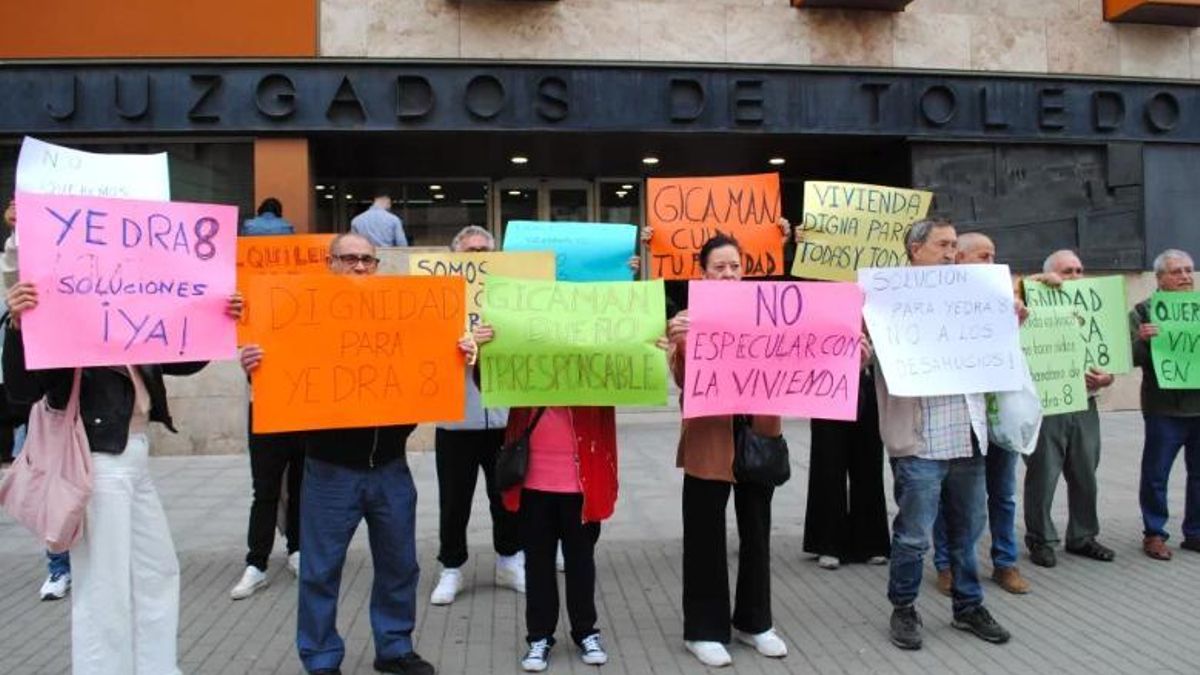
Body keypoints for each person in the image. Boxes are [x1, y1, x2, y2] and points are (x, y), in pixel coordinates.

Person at [4, 279, 243, 675]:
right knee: (104, 585)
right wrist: (17, 326)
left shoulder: (134, 309)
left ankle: (157, 667)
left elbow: (181, 357)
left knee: (157, 571)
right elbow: (22, 388)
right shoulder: (62, 309)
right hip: (97, 459)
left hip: (133, 454)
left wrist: (219, 319)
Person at [240, 232, 435, 675]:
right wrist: (256, 367)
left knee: (400, 564)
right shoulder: (301, 318)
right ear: (330, 265)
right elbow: (279, 376)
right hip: (330, 471)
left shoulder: (401, 316)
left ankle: (394, 647)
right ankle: (321, 656)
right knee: (320, 570)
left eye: (368, 259)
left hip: (390, 466)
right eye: (349, 259)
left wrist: (457, 351)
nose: (360, 267)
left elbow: (432, 362)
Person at [879, 218, 1011, 651]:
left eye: (955, 245)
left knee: (969, 532)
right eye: (943, 244)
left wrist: (1012, 324)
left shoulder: (976, 295)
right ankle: (904, 608)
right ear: (915, 249)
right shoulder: (887, 299)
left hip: (968, 436)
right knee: (914, 535)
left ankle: (968, 606)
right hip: (920, 442)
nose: (952, 252)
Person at [666, 233, 789, 668]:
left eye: (735, 265)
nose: (729, 273)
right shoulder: (687, 319)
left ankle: (755, 622)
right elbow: (682, 382)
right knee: (704, 534)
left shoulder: (770, 313)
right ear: (703, 273)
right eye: (719, 267)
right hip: (709, 440)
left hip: (758, 436)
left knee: (756, 532)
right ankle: (703, 629)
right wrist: (679, 343)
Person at [931, 232, 1032, 595]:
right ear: (960, 259)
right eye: (984, 256)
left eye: (994, 256)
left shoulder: (1006, 296)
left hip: (998, 409)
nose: (992, 263)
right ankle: (947, 564)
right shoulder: (936, 297)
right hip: (959, 413)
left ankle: (1005, 562)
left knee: (1002, 492)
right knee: (952, 495)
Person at [429, 225, 523, 606]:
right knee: (454, 500)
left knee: (507, 496)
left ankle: (510, 559)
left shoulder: (511, 295)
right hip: (455, 419)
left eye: (484, 250)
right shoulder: (435, 299)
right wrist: (455, 344)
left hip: (503, 419)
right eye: (469, 251)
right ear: (455, 257)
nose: (477, 256)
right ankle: (451, 567)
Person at [1017, 249, 1116, 568]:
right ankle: (1041, 538)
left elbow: (1110, 358)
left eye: (1078, 270)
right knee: (1043, 474)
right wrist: (1032, 286)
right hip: (1047, 406)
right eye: (1066, 271)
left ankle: (1083, 536)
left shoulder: (1094, 307)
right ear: (1048, 275)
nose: (1074, 277)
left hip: (1085, 405)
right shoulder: (1029, 304)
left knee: (1086, 471)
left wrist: (1106, 377)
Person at [229, 199, 306, 600]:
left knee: (299, 483)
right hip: (266, 403)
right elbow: (235, 342)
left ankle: (295, 550)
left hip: (303, 403)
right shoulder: (246, 300)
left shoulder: (310, 295)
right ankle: (257, 561)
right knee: (267, 488)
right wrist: (243, 354)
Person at [1, 195, 72, 601]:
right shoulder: (29, 268)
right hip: (53, 402)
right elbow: (16, 273)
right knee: (54, 490)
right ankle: (58, 566)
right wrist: (20, 232)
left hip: (103, 418)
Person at [1131, 248, 1200, 560]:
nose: (1185, 276)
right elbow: (1128, 357)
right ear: (1159, 278)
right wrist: (1143, 341)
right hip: (1164, 408)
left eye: (1189, 270)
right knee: (1156, 474)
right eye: (1177, 271)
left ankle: (1195, 532)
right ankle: (1155, 533)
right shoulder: (1143, 311)